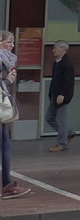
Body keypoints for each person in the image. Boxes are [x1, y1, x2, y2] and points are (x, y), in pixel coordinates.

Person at [1, 30, 32, 199]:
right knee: (5, 145)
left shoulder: (7, 61)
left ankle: (7, 184)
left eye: (12, 43)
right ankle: (6, 186)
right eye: (8, 42)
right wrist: (8, 81)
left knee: (6, 144)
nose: (11, 46)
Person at [45, 40, 76, 152]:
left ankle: (62, 144)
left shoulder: (67, 63)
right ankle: (67, 133)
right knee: (49, 118)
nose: (53, 50)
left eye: (55, 48)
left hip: (62, 96)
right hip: (54, 95)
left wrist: (62, 94)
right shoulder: (57, 62)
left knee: (62, 120)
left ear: (63, 49)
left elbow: (67, 80)